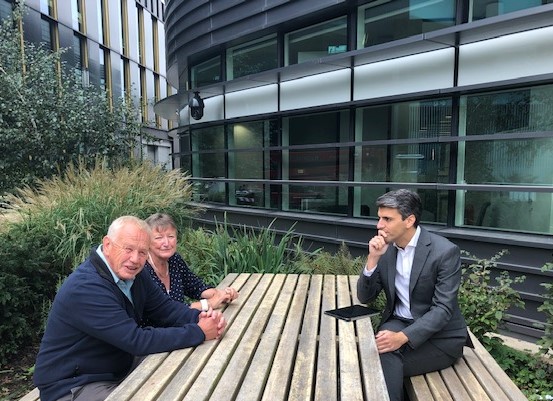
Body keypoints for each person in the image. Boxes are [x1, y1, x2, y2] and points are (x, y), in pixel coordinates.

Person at [33, 216, 226, 401]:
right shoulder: (86, 288)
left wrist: (202, 317)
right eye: (128, 249)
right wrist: (199, 331)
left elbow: (166, 309)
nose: (135, 259)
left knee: (190, 371)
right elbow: (136, 340)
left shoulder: (133, 274)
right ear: (107, 245)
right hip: (75, 385)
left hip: (117, 365)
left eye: (143, 252)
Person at [357, 189, 468, 401]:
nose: (379, 225)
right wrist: (372, 260)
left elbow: (443, 310)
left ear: (409, 220)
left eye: (387, 219)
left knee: (380, 364)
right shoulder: (386, 249)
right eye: (379, 218)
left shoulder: (444, 252)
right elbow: (365, 297)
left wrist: (402, 338)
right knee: (375, 355)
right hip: (399, 322)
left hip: (441, 338)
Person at [144, 213, 238, 311]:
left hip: (180, 323)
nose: (166, 243)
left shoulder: (174, 260)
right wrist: (208, 304)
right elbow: (164, 311)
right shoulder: (143, 269)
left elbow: (195, 286)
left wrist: (221, 294)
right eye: (159, 238)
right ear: (147, 242)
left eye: (171, 236)